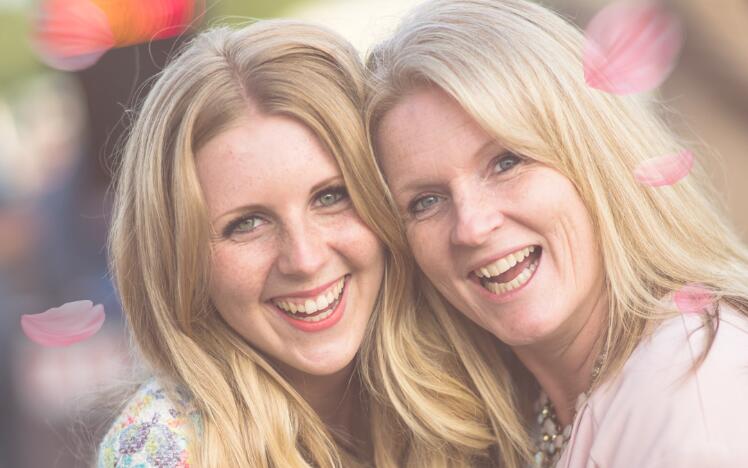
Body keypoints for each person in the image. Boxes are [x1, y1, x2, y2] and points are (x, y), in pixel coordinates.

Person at [98, 20, 500, 468]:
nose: (305, 259)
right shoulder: (165, 450)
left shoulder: (480, 367)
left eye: (330, 197)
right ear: (178, 260)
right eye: (247, 223)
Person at [365, 0, 748, 467]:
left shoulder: (692, 392)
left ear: (591, 156)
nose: (471, 225)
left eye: (507, 162)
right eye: (425, 201)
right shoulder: (540, 403)